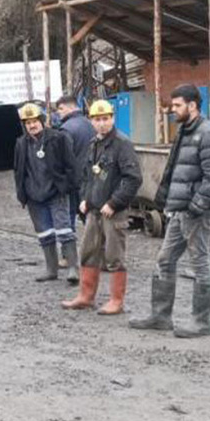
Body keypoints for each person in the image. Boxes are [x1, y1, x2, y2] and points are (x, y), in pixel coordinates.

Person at [130, 84, 210, 338]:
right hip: (180, 209)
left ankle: (201, 322)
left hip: (195, 212)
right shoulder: (185, 130)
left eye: (177, 105)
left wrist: (197, 206)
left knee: (200, 263)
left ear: (193, 105)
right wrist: (165, 198)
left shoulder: (208, 134)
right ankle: (161, 316)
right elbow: (175, 169)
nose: (173, 110)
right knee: (165, 259)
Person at [63, 99, 142, 314]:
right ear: (91, 121)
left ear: (112, 118)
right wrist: (85, 198)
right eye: (97, 120)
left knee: (114, 255)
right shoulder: (93, 144)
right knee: (88, 251)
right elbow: (88, 175)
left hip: (113, 211)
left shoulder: (122, 144)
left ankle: (116, 301)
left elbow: (133, 178)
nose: (101, 124)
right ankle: (86, 296)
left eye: (105, 119)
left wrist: (114, 202)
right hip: (94, 209)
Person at [13, 102, 79, 283]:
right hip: (34, 196)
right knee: (44, 234)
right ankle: (52, 270)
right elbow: (18, 170)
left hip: (56, 193)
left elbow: (71, 166)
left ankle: (73, 268)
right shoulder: (21, 144)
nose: (31, 125)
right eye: (28, 123)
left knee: (64, 230)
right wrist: (22, 193)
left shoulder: (57, 138)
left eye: (34, 121)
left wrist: (67, 188)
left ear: (42, 121)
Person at [56, 95, 96, 230]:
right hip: (92, 178)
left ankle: (71, 250)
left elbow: (62, 159)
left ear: (71, 107)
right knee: (91, 219)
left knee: (69, 220)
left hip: (74, 182)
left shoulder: (66, 129)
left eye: (61, 109)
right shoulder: (90, 123)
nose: (58, 112)